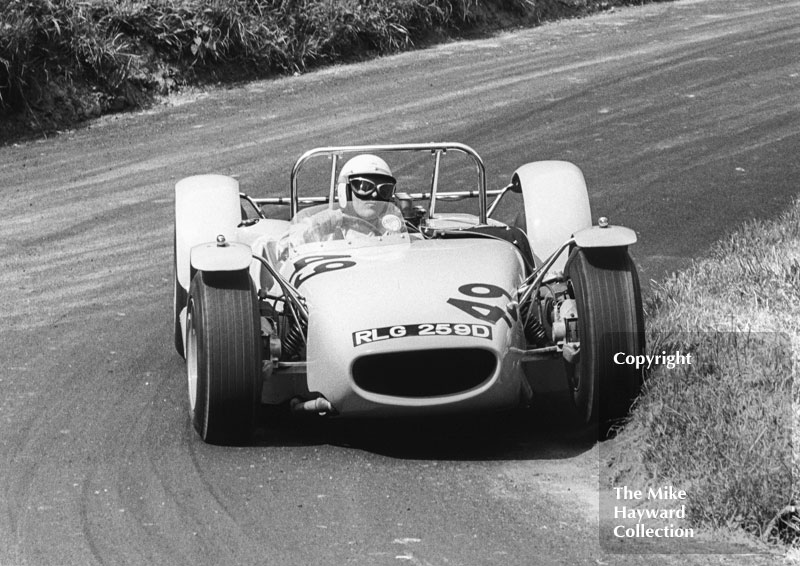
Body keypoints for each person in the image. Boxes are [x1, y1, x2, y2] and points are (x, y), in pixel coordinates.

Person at [285, 154, 403, 249]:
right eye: (364, 186)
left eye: (384, 189)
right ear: (344, 191)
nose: (374, 194)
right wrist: (319, 225)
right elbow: (285, 247)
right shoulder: (326, 230)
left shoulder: (394, 229)